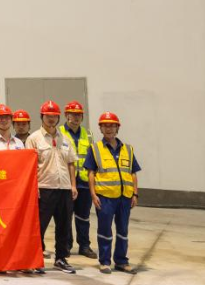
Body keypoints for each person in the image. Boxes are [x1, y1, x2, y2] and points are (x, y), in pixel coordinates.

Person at [25, 101, 78, 274]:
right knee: (39, 226)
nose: (51, 119)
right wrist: (34, 187)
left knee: (64, 226)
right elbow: (30, 166)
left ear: (58, 118)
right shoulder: (34, 139)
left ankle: (61, 259)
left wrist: (73, 185)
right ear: (42, 117)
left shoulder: (65, 138)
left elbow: (71, 163)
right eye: (48, 116)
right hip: (44, 188)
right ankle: (36, 259)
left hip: (64, 189)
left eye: (54, 116)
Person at [85, 112, 140, 275]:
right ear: (100, 128)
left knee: (123, 230)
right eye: (105, 126)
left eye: (112, 126)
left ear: (117, 128)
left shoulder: (128, 149)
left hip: (125, 197)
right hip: (105, 197)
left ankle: (121, 261)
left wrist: (135, 194)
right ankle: (105, 261)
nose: (108, 129)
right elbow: (91, 173)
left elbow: (133, 173)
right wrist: (93, 195)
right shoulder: (95, 149)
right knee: (105, 230)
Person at [60, 101, 95, 259]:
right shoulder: (59, 132)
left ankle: (84, 246)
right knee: (65, 216)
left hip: (84, 182)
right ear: (66, 115)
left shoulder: (88, 134)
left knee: (83, 216)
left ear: (82, 117)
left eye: (78, 115)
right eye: (72, 114)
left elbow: (92, 158)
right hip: (65, 181)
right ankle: (66, 245)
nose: (75, 117)